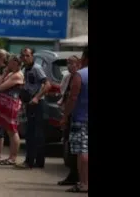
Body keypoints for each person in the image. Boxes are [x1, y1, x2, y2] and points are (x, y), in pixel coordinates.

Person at [61, 46, 88, 193]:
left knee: (83, 151)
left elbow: (73, 97)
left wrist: (65, 116)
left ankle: (84, 183)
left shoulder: (80, 75)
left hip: (81, 118)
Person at [20, 47, 51, 169]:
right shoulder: (26, 69)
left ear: (32, 56)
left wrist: (37, 97)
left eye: (28, 55)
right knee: (30, 133)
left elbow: (47, 84)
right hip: (29, 103)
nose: (25, 58)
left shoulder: (36, 68)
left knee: (36, 133)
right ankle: (30, 160)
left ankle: (37, 161)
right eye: (23, 56)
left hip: (37, 104)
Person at [0, 54, 24, 166]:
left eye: (10, 62)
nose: (8, 64)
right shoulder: (10, 73)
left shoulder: (17, 75)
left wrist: (5, 75)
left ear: (15, 63)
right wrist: (4, 73)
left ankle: (13, 157)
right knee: (8, 130)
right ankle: (10, 156)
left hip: (13, 104)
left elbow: (1, 87)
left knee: (12, 130)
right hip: (6, 103)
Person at [58, 55, 81, 186]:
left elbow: (73, 97)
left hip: (77, 115)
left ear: (78, 64)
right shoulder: (68, 77)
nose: (70, 65)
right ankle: (73, 174)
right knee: (69, 144)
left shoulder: (79, 77)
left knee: (76, 146)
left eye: (72, 63)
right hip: (67, 113)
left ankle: (76, 175)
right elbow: (64, 94)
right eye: (68, 63)